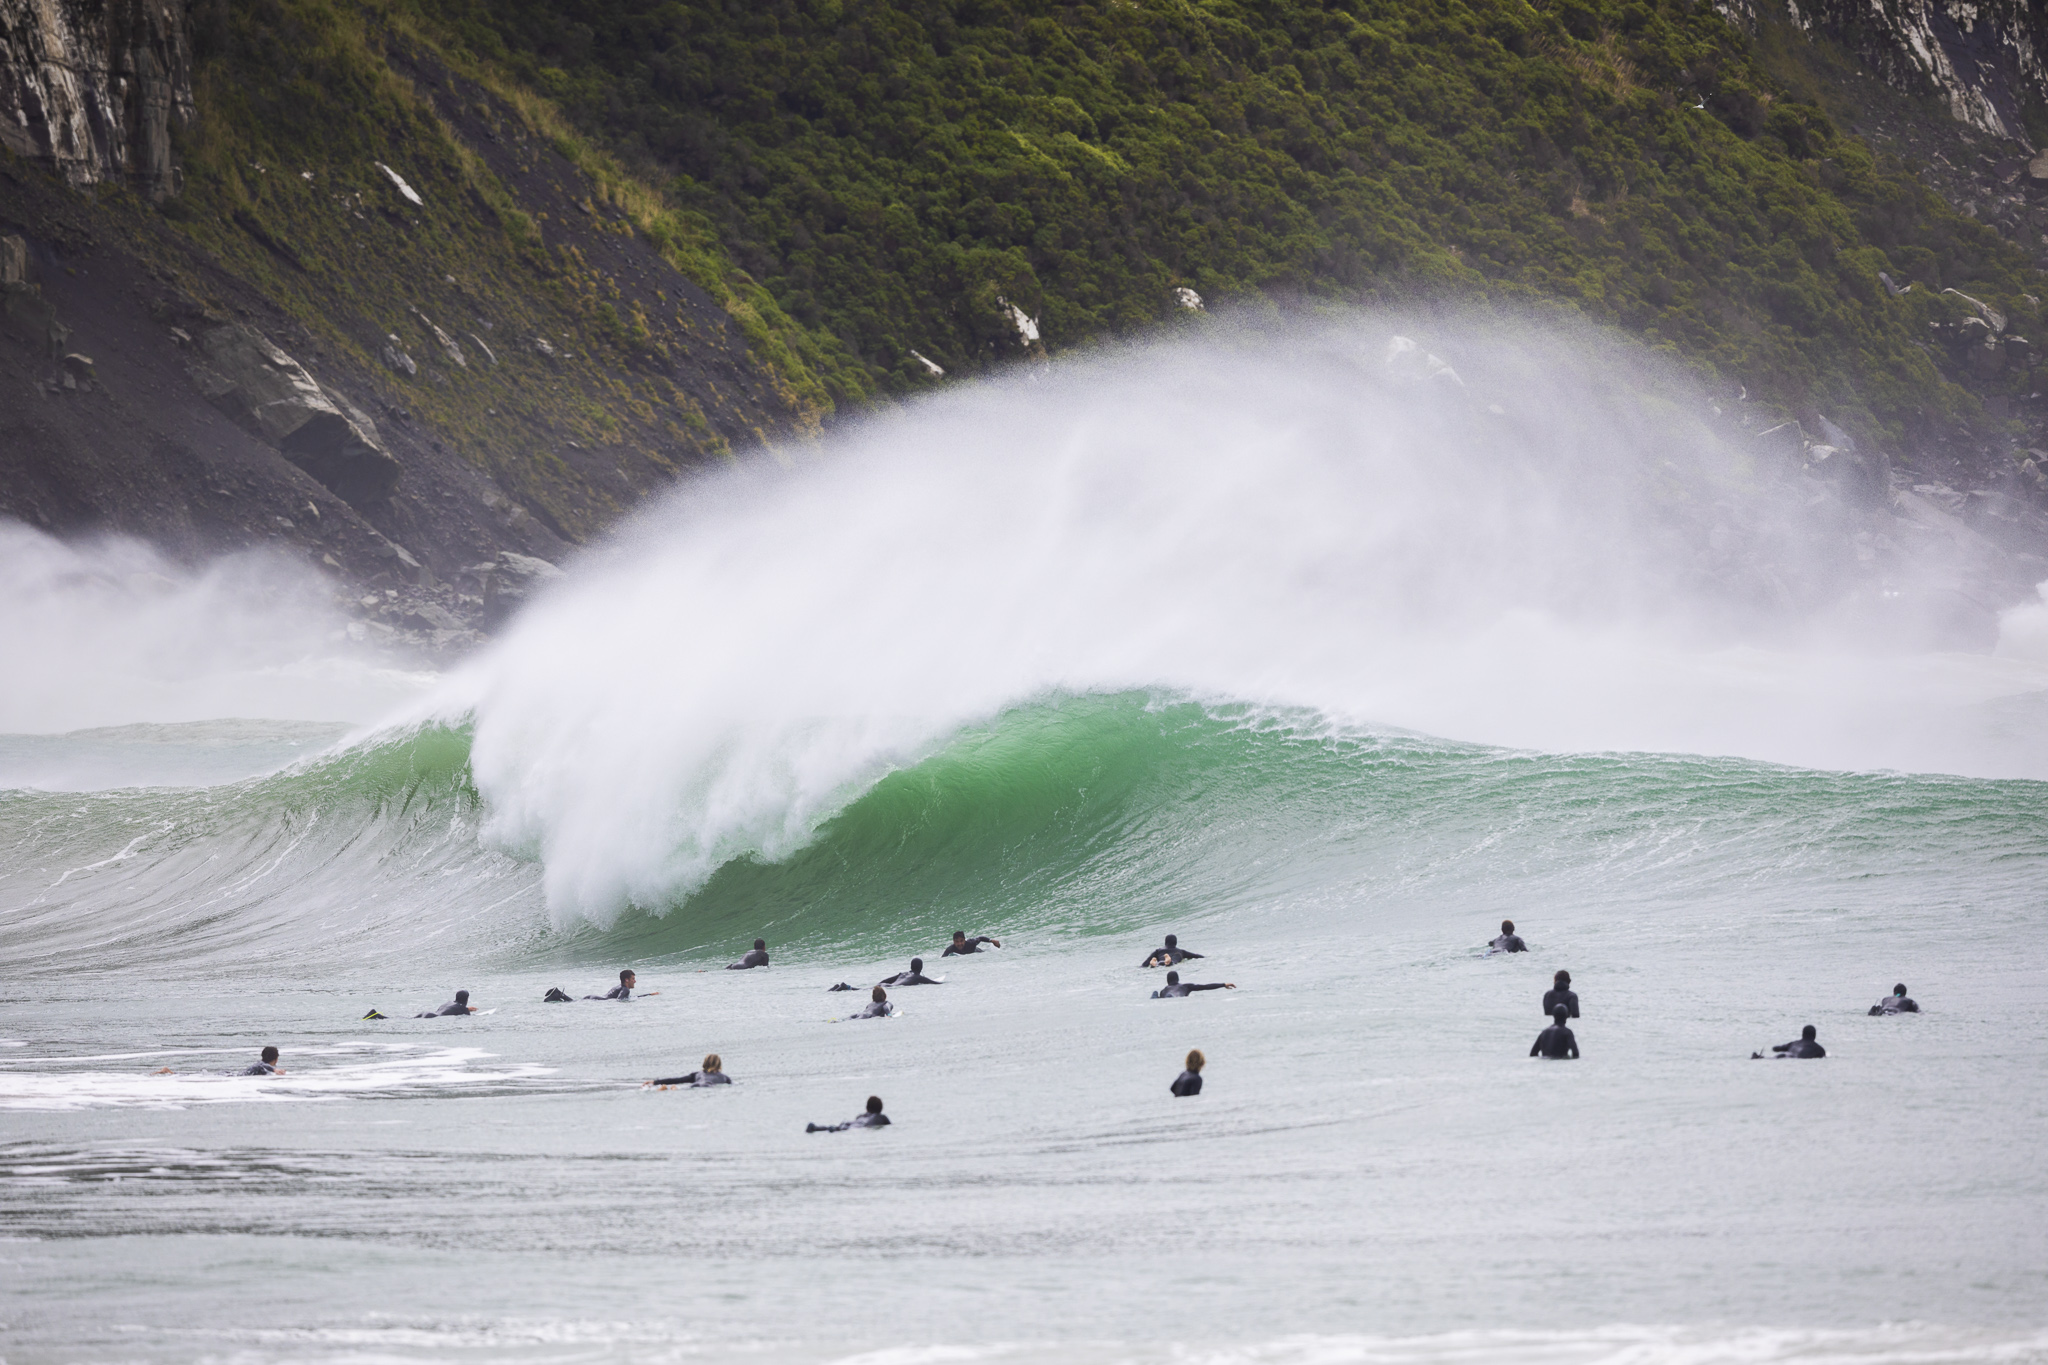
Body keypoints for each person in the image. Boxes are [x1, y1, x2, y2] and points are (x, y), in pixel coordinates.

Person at [152, 1045, 285, 1077]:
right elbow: (261, 1066)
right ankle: (170, 1073)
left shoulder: (263, 1066)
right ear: (276, 1059)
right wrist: (275, 1069)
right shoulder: (263, 1066)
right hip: (229, 1076)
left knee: (199, 1077)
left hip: (229, 1075)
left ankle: (171, 1073)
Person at [808, 1095, 891, 1132]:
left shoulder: (860, 1116)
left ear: (867, 1107)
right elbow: (890, 1126)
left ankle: (815, 1128)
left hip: (851, 1123)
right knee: (841, 1129)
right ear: (881, 1108)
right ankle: (830, 1129)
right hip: (861, 1126)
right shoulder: (881, 1117)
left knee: (839, 1127)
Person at [647, 1053, 731, 1087]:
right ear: (719, 1065)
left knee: (678, 1087)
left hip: (696, 1085)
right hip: (709, 1086)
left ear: (705, 1063)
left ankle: (670, 1089)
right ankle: (673, 1089)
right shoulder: (725, 1078)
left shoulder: (697, 1074)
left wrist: (655, 1082)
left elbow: (677, 1080)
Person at [1151, 970, 1235, 999]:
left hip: (1167, 997)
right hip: (1176, 998)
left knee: (1156, 993)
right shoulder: (1185, 986)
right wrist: (1223, 984)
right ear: (1178, 979)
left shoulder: (1163, 990)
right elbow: (1205, 987)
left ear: (1167, 980)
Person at [1757, 1024, 1825, 1058]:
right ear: (1815, 1035)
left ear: (1802, 1034)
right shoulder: (1819, 1049)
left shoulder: (1794, 1044)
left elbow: (1775, 1049)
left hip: (1782, 1056)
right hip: (1794, 1058)